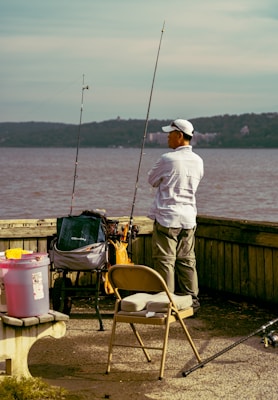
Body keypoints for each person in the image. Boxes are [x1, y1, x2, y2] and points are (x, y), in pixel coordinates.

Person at [148, 118, 204, 311]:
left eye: (170, 134)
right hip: (189, 219)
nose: (167, 137)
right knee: (188, 261)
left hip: (167, 218)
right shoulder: (198, 161)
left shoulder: (167, 159)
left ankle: (167, 303)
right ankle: (192, 303)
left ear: (180, 136)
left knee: (165, 262)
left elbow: (152, 180)